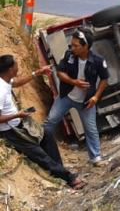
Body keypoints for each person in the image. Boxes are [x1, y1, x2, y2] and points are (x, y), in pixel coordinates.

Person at [0, 55, 85, 189]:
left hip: (19, 124)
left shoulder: (5, 81)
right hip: (11, 132)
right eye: (16, 65)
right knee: (40, 155)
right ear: (11, 69)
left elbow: (16, 83)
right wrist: (17, 114)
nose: (18, 67)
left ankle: (60, 171)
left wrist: (37, 72)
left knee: (46, 134)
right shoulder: (0, 90)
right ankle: (70, 178)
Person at [44, 28, 109, 166]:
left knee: (91, 129)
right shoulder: (69, 55)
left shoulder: (98, 61)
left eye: (75, 45)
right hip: (66, 96)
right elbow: (60, 72)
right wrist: (74, 82)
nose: (71, 47)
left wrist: (96, 97)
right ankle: (41, 149)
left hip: (86, 102)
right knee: (50, 122)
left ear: (85, 46)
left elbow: (104, 79)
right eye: (71, 44)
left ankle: (96, 158)